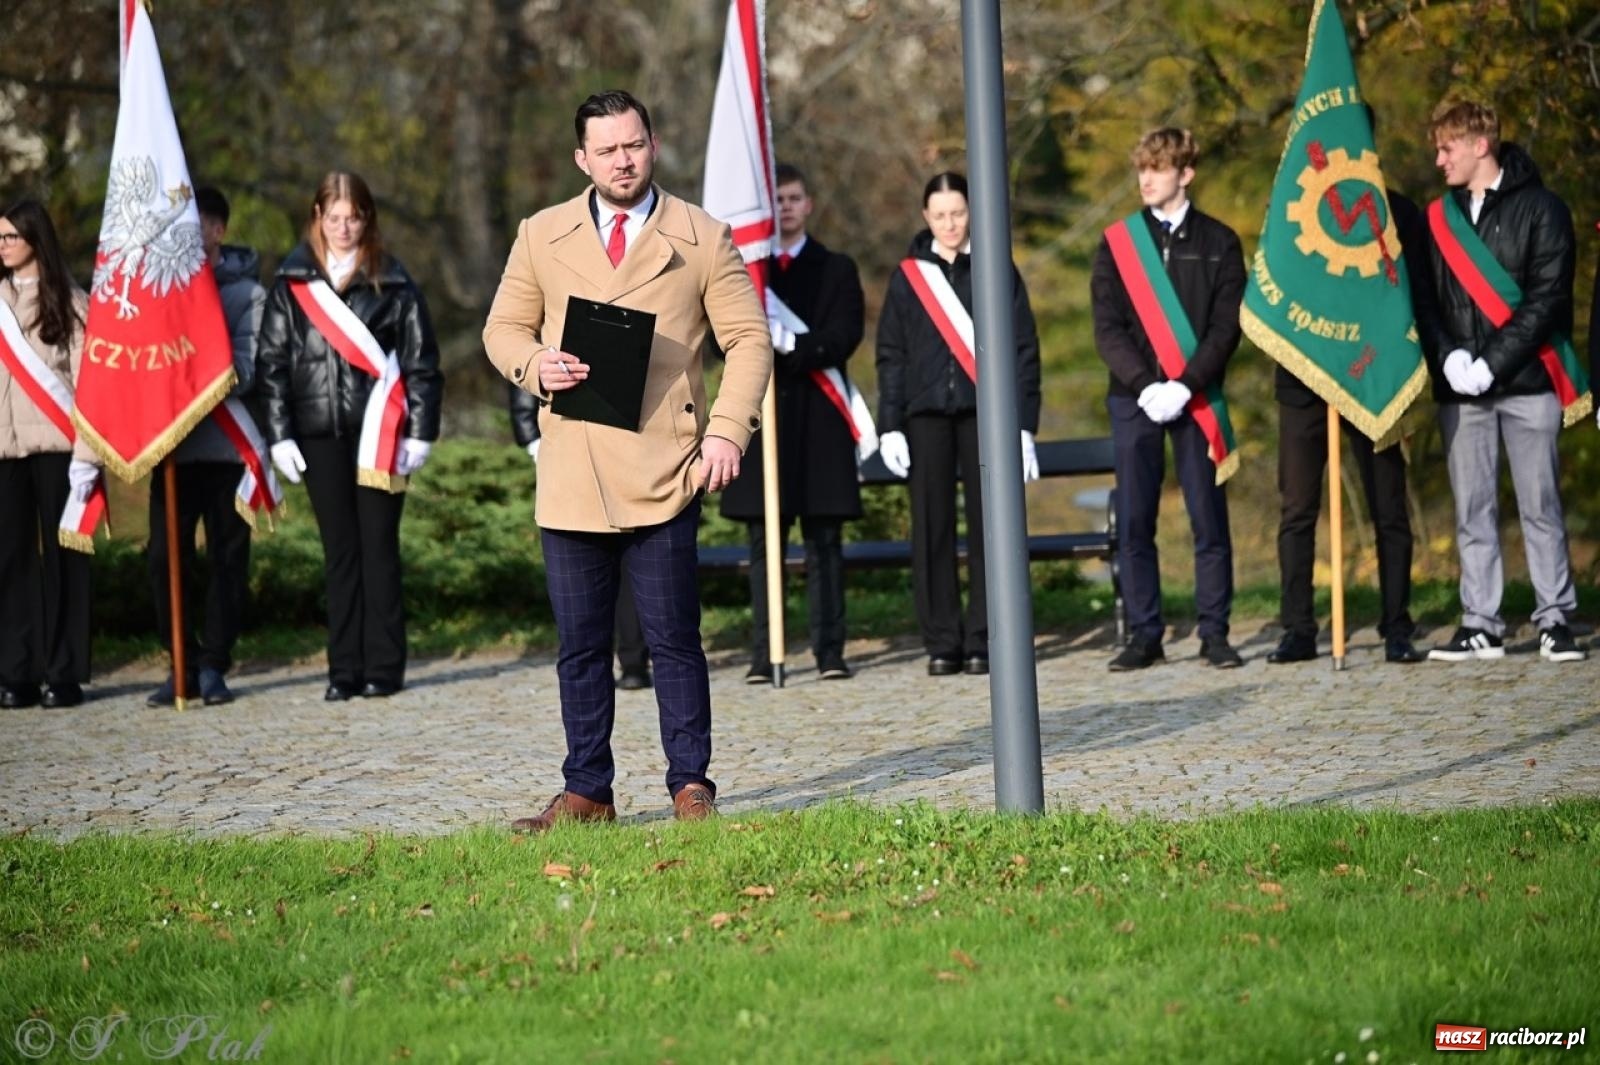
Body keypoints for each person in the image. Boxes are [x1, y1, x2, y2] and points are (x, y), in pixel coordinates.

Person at [483, 89, 771, 831]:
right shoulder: (541, 233)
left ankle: (691, 785)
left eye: (633, 144)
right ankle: (587, 792)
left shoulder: (704, 236)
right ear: (582, 158)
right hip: (573, 470)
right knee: (580, 646)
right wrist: (534, 364)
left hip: (668, 470)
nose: (622, 160)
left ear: (654, 143)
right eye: (606, 149)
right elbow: (502, 329)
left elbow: (749, 340)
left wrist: (726, 432)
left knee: (674, 638)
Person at [256, 171, 444, 700]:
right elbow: (271, 364)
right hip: (317, 434)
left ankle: (383, 667)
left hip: (381, 433)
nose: (343, 227)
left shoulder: (395, 280)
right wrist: (279, 436)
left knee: (379, 548)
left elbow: (422, 363)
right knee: (339, 551)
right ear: (318, 217)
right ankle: (343, 670)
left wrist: (422, 432)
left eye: (353, 217)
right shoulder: (291, 282)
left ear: (367, 219)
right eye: (334, 217)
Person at [1419, 100, 1586, 663]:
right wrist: (1448, 359)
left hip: (1529, 381)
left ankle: (1555, 617)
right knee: (1472, 508)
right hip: (1460, 388)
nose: (1439, 159)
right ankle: (1481, 622)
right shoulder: (1436, 219)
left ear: (1480, 145)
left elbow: (1548, 298)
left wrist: (1491, 361)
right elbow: (1425, 301)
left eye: (1447, 147)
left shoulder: (1544, 209)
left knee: (1540, 503)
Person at [1270, 108, 1432, 666]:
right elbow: (1271, 292)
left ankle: (1397, 626)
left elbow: (1419, 296)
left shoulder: (1399, 213)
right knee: (1297, 509)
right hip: (1304, 377)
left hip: (1374, 373)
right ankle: (1297, 629)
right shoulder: (1287, 210)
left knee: (1389, 506)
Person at [1090, 127, 1246, 671]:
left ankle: (1215, 633)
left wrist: (1186, 383)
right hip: (1134, 399)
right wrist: (1145, 385)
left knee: (1208, 516)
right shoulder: (1116, 243)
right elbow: (1108, 329)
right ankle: (1144, 633)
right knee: (1135, 521)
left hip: (1196, 397)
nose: (1146, 179)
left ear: (1186, 173)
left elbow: (1227, 328)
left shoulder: (1220, 242)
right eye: (1141, 169)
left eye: (1157, 169)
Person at [875, 171, 1041, 677]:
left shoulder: (996, 268)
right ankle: (942, 640)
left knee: (993, 527)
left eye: (959, 213)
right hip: (924, 417)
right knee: (932, 529)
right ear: (926, 217)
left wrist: (1024, 425)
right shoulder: (908, 278)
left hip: (983, 416)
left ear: (973, 213)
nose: (950, 223)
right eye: (940, 215)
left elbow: (1023, 350)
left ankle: (986, 637)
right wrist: (890, 425)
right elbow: (892, 355)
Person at [721, 163, 866, 683]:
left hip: (821, 418)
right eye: (776, 199)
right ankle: (767, 653)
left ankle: (830, 650)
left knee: (824, 542)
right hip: (766, 420)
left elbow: (846, 334)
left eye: (793, 198)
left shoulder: (836, 268)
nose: (785, 206)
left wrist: (795, 346)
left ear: (808, 205)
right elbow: (725, 338)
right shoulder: (747, 273)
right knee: (765, 545)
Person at [146, 186, 267, 706]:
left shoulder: (247, 295)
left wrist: (188, 356)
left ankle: (216, 662)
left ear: (218, 230)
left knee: (227, 558)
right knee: (162, 559)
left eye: (200, 224)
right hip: (171, 450)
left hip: (225, 451)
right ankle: (182, 662)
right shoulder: (156, 293)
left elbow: (245, 368)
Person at [0, 199, 98, 709]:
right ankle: (16, 670)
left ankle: (64, 672)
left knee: (64, 560)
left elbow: (90, 386)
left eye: (10, 237)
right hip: (4, 451)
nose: (2, 246)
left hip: (61, 450)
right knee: (10, 559)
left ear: (36, 240)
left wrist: (88, 455)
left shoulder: (73, 302)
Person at [509, 382, 651, 690]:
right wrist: (531, 437)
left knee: (631, 558)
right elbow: (522, 352)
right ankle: (602, 663)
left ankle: (633, 660)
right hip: (566, 440)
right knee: (583, 610)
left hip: (633, 439)